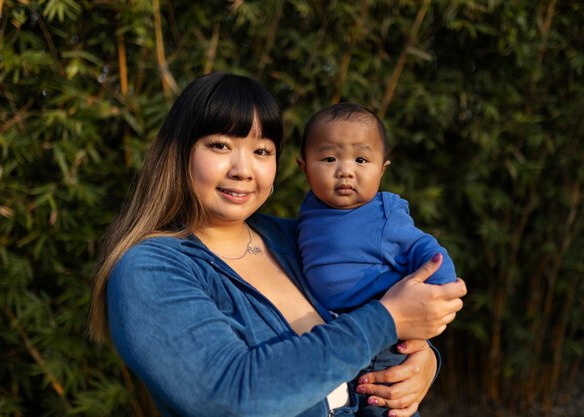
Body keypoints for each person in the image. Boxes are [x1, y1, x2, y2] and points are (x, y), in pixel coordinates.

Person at [89, 73, 467, 417]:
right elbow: (229, 397)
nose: (243, 169)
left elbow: (377, 319)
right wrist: (385, 321)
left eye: (262, 151)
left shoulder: (299, 239)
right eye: (220, 146)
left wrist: (421, 363)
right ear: (178, 152)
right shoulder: (150, 270)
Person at [296, 102, 458, 417]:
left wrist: (439, 295)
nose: (345, 170)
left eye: (361, 159)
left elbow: (429, 252)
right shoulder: (310, 210)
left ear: (382, 169)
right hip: (340, 336)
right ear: (304, 167)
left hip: (382, 343)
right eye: (329, 158)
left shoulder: (382, 215)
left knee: (384, 406)